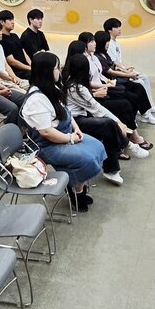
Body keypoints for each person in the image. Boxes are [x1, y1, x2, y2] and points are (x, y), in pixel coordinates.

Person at [23, 52, 107, 212]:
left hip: (64, 135)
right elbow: (46, 133)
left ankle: (75, 185)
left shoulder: (51, 88)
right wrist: (71, 138)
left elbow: (66, 111)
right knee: (86, 159)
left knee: (97, 146)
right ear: (47, 71)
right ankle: (77, 191)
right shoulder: (36, 99)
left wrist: (77, 128)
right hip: (47, 146)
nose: (59, 71)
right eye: (56, 68)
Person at [64, 52, 153, 160]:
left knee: (124, 103)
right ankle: (128, 144)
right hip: (78, 119)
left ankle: (128, 141)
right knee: (110, 123)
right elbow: (96, 108)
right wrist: (118, 122)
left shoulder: (76, 83)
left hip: (86, 110)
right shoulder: (76, 87)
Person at [94, 30, 155, 124]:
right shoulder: (97, 57)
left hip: (112, 81)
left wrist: (126, 70)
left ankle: (146, 112)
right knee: (135, 88)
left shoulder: (104, 54)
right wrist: (129, 75)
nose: (108, 44)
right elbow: (111, 72)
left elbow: (114, 65)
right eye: (107, 42)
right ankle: (144, 115)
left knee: (139, 86)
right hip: (110, 83)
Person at [103, 17, 155, 113]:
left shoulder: (115, 43)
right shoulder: (109, 44)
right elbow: (114, 63)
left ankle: (150, 105)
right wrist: (126, 71)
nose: (119, 29)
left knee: (145, 78)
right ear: (109, 30)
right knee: (140, 82)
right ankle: (145, 110)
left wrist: (126, 68)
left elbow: (119, 61)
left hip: (121, 69)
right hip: (118, 73)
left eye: (119, 27)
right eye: (116, 27)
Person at [0, 10, 33, 79]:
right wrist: (29, 68)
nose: (13, 22)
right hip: (17, 72)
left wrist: (32, 65)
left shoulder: (15, 36)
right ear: (2, 22)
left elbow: (23, 52)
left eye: (13, 19)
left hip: (26, 68)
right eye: (10, 20)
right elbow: (11, 61)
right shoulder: (1, 39)